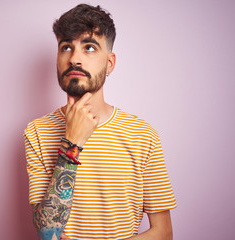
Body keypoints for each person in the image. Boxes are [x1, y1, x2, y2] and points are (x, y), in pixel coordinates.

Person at [24, 4, 176, 240]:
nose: (74, 58)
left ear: (110, 63)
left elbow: (163, 233)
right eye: (66, 47)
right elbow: (47, 232)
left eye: (89, 48)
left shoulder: (143, 135)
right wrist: (72, 144)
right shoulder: (36, 132)